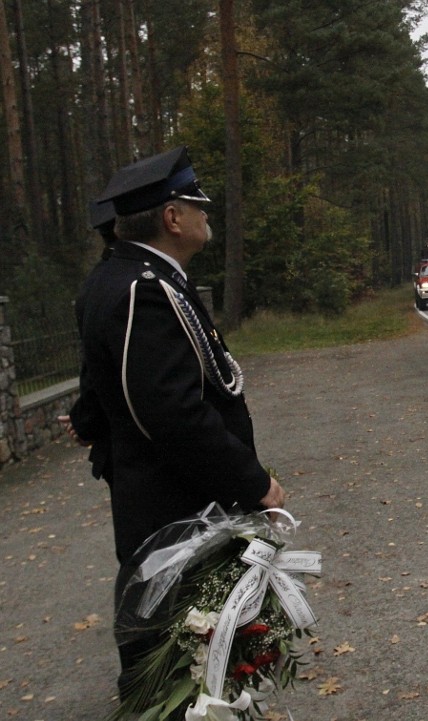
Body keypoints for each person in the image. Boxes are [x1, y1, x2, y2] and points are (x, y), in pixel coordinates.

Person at [70, 146, 285, 699]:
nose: (205, 215)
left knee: (174, 635)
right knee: (178, 643)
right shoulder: (144, 288)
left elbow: (104, 381)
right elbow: (173, 413)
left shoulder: (119, 277)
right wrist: (253, 481)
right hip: (176, 504)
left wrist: (90, 419)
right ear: (171, 218)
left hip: (160, 497)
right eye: (197, 206)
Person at [59, 200, 118, 486]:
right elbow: (99, 366)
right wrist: (86, 421)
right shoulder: (120, 285)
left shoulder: (95, 283)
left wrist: (84, 421)